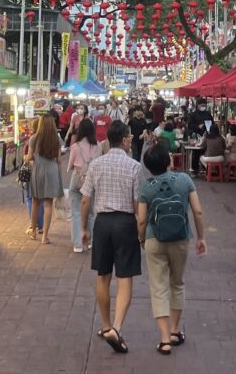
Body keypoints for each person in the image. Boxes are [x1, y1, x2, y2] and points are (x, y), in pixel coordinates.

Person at [80, 120, 143, 355]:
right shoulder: (134, 166)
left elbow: (85, 198)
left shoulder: (97, 165)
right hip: (125, 222)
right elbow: (138, 204)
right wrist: (141, 228)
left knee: (103, 276)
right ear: (125, 139)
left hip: (103, 223)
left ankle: (106, 325)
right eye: (130, 137)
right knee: (125, 277)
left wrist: (84, 228)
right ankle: (116, 328)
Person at [137, 143, 206, 354]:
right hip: (181, 238)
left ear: (149, 167)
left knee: (158, 287)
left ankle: (164, 339)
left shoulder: (146, 187)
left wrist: (142, 240)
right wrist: (201, 238)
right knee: (177, 283)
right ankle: (175, 331)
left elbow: (141, 220)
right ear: (168, 161)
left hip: (153, 239)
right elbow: (198, 211)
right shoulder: (185, 180)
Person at [26, 113, 64, 243]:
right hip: (52, 171)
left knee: (36, 202)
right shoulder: (57, 139)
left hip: (38, 170)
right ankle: (45, 236)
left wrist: (29, 160)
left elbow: (29, 157)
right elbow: (59, 159)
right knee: (48, 204)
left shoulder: (34, 138)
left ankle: (33, 231)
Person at [68, 117, 101, 252]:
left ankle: (77, 244)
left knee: (76, 211)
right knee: (92, 211)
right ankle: (92, 240)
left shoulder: (75, 146)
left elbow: (69, 165)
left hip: (77, 176)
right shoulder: (98, 146)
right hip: (92, 179)